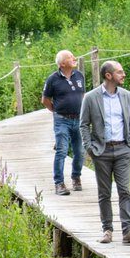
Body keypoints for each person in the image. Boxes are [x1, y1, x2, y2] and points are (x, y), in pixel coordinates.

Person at [80, 61, 130, 244]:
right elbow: (83, 124)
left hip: (123, 149)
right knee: (104, 192)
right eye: (120, 72)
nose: (124, 74)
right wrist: (90, 147)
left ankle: (128, 230)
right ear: (108, 75)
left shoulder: (126, 96)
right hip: (101, 150)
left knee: (124, 190)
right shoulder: (91, 97)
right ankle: (107, 230)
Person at [41, 50, 85, 196]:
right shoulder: (52, 79)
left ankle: (76, 177)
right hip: (62, 120)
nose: (74, 58)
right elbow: (45, 100)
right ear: (62, 63)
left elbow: (82, 95)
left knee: (79, 151)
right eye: (70, 57)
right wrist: (56, 110)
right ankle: (59, 183)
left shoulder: (79, 76)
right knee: (62, 151)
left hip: (78, 119)